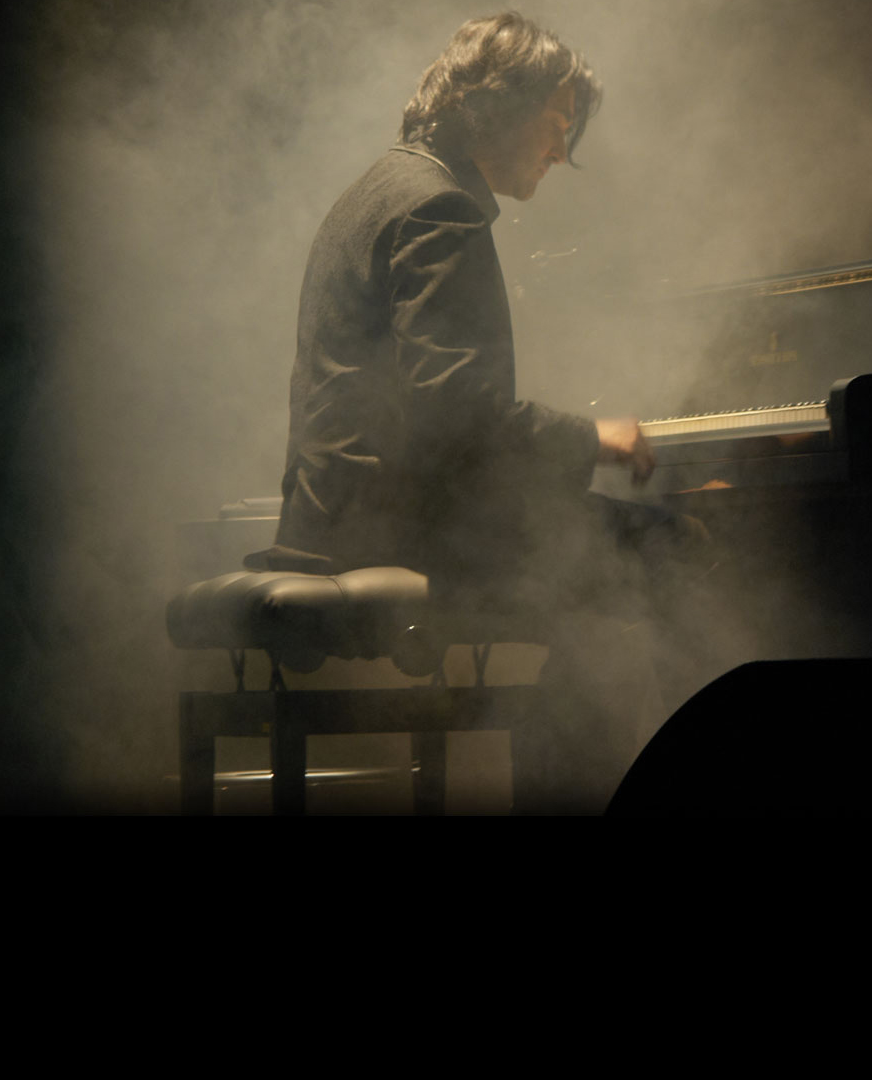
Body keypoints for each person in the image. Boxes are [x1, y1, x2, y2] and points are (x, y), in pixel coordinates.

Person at [253, 12, 736, 811]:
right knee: (674, 550)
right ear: (499, 106)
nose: (562, 150)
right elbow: (458, 418)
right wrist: (595, 437)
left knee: (587, 598)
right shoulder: (439, 208)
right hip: (396, 527)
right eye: (557, 122)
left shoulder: (377, 189)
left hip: (332, 518)